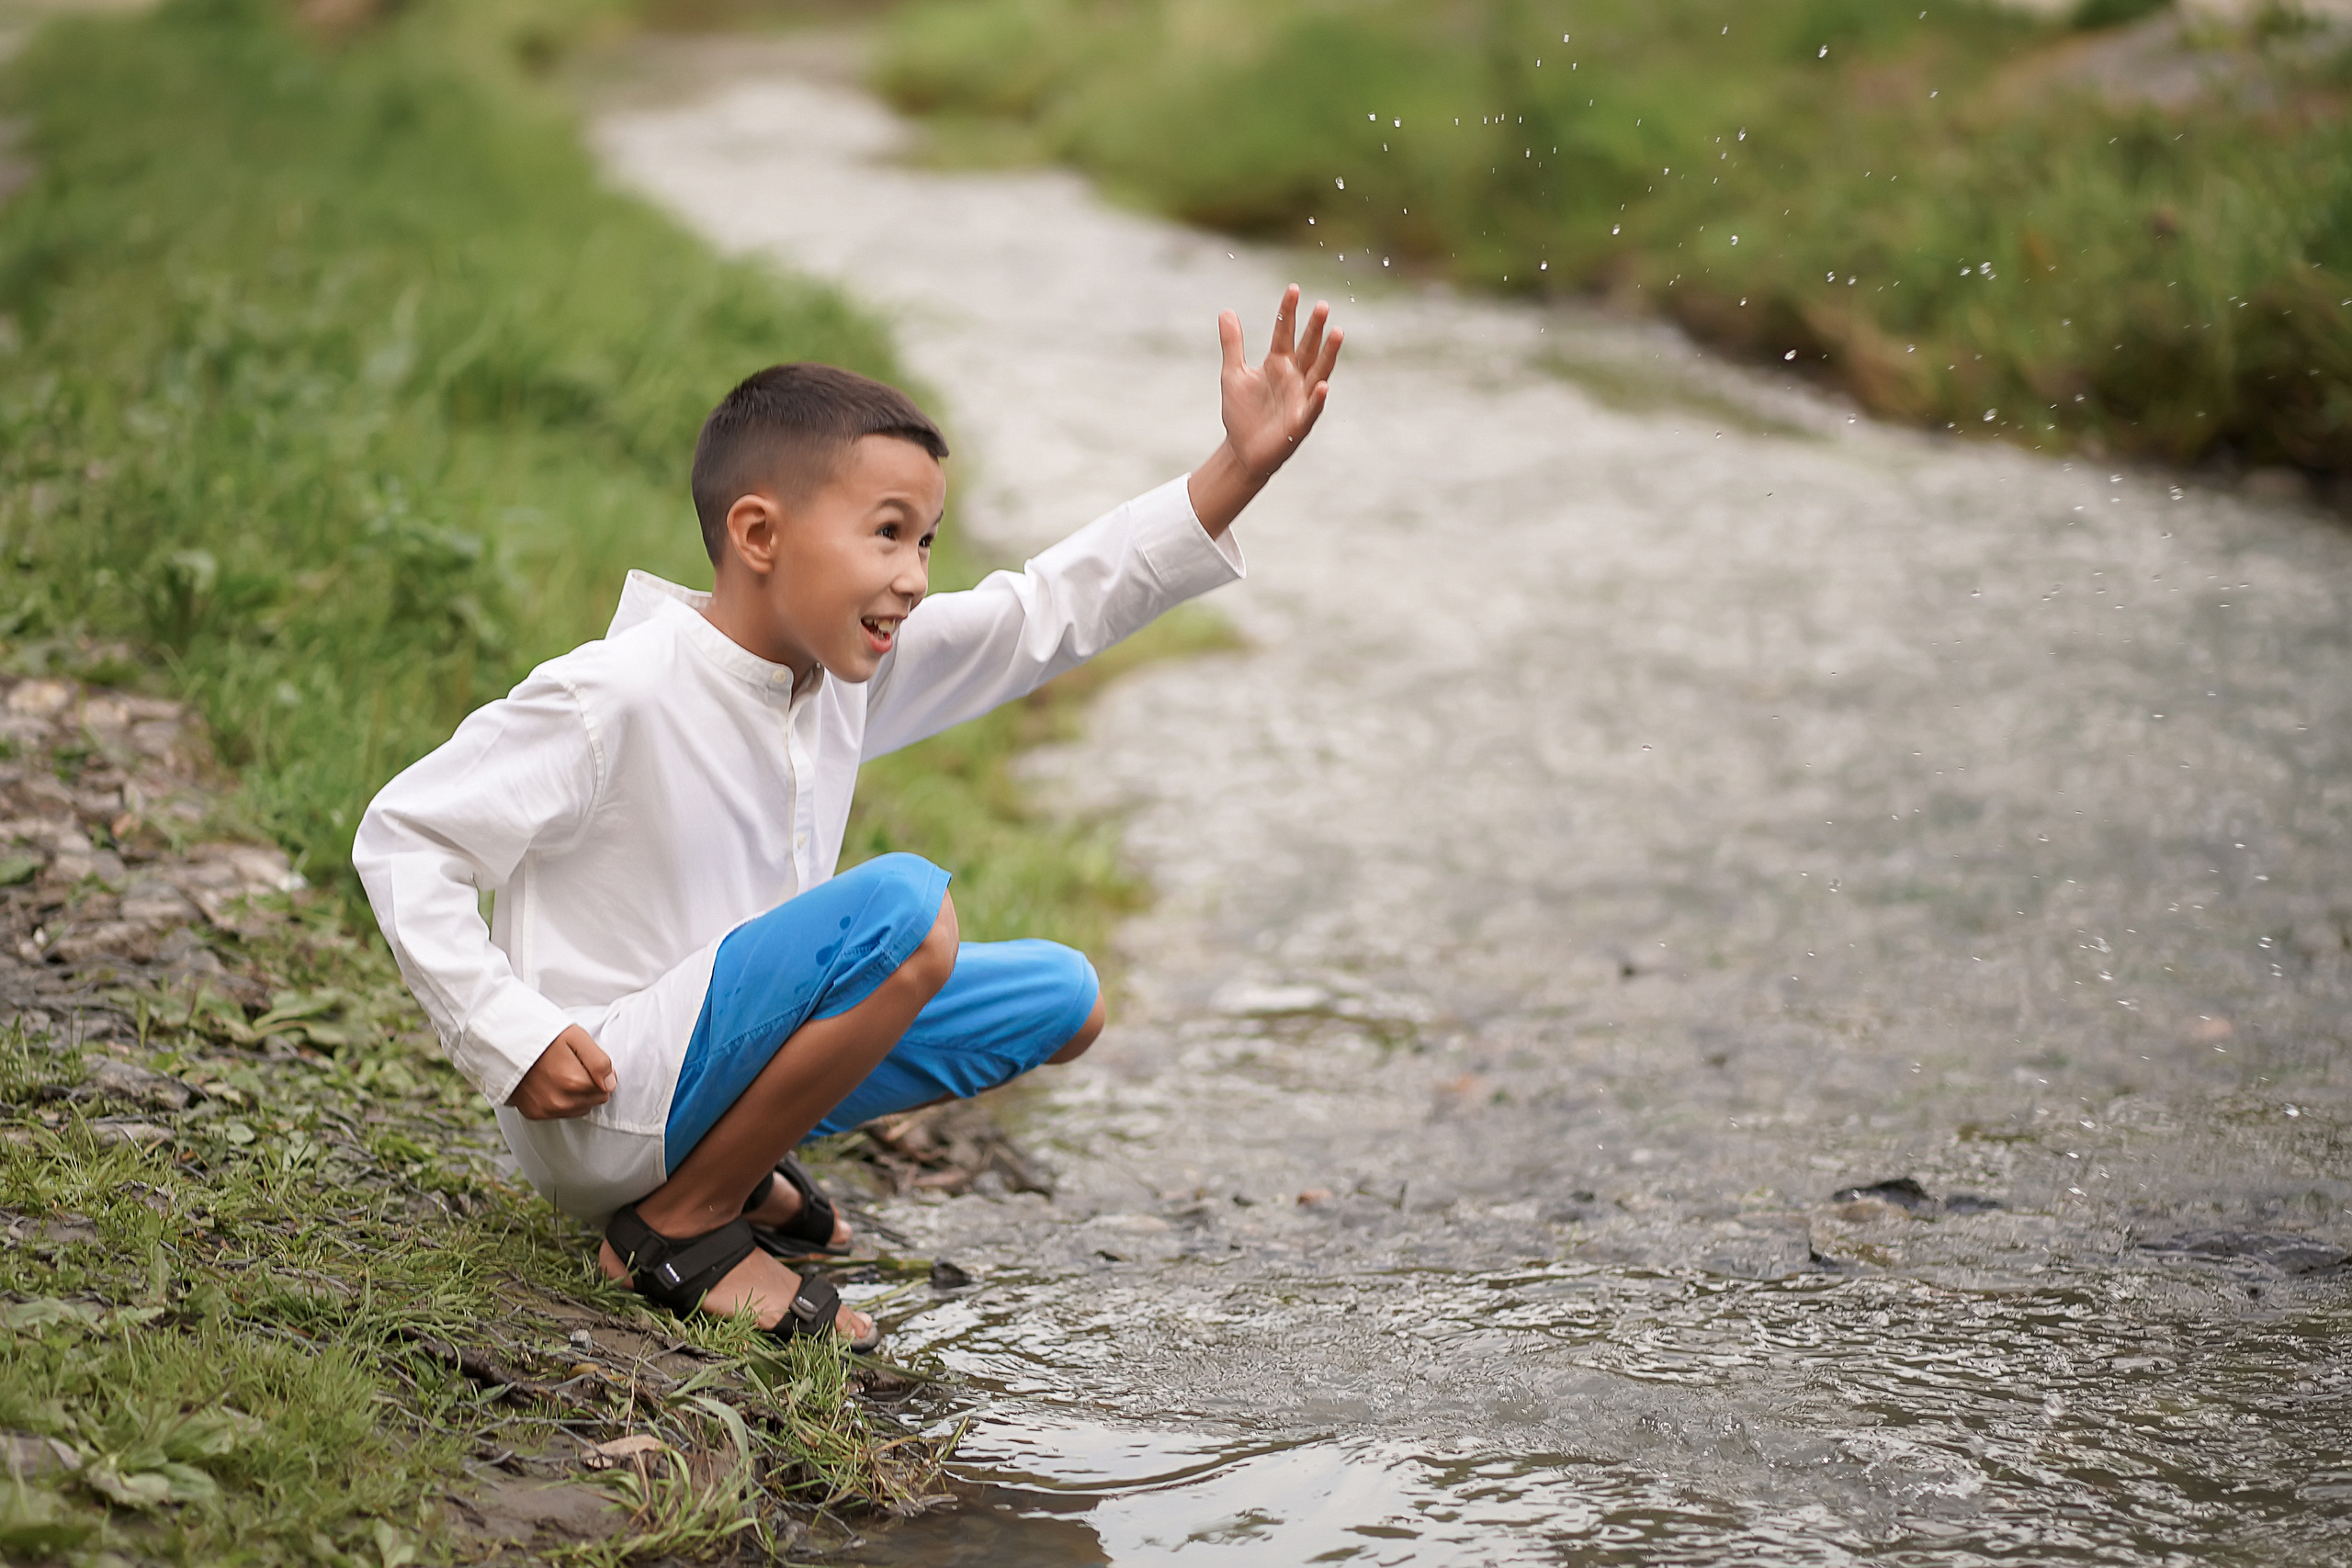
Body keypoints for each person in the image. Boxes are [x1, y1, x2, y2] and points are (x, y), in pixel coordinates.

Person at [354, 287, 1343, 1347]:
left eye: (925, 541)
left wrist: (1236, 470)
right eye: (886, 535)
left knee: (1066, 997)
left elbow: (1043, 612)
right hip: (600, 1097)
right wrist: (510, 1033)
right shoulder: (620, 691)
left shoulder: (839, 676)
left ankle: (729, 1171)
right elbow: (406, 836)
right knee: (905, 912)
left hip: (710, 1065)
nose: (914, 579)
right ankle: (677, 1232)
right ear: (758, 533)